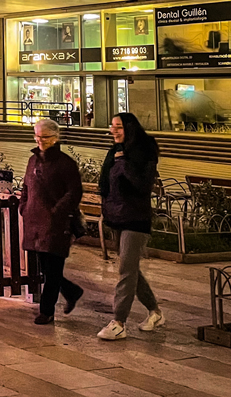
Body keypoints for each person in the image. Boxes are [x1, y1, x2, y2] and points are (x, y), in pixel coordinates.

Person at [97, 112, 163, 340]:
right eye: (112, 126)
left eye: (119, 126)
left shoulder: (143, 152)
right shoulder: (114, 151)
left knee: (126, 269)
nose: (113, 130)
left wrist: (124, 162)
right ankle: (155, 312)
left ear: (130, 128)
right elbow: (105, 184)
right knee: (131, 269)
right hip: (116, 217)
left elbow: (142, 186)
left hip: (136, 219)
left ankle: (119, 322)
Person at [20, 119, 85, 324]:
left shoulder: (65, 163)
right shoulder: (33, 160)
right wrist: (24, 205)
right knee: (44, 268)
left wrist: (56, 212)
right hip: (34, 221)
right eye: (37, 136)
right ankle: (71, 291)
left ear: (55, 138)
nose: (40, 140)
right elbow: (26, 186)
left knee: (53, 268)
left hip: (56, 224)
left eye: (44, 137)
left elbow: (74, 192)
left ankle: (46, 311)